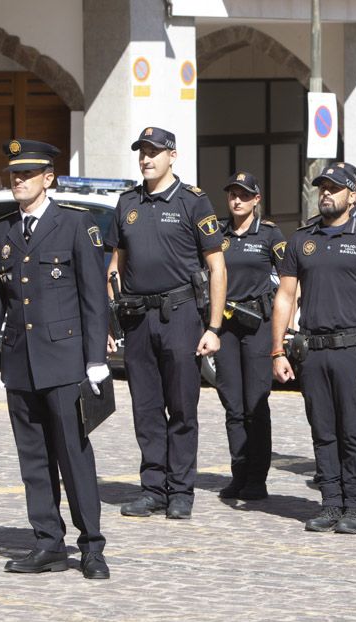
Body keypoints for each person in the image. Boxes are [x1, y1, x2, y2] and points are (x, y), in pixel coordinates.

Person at [0, 139, 110, 579]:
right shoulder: (3, 231)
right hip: (20, 363)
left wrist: (95, 358)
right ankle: (48, 543)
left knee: (73, 457)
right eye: (14, 174)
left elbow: (93, 298)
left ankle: (91, 546)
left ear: (48, 178)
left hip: (66, 361)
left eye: (27, 174)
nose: (18, 180)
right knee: (33, 461)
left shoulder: (75, 225)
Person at [106, 126, 227, 520]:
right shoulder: (126, 203)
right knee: (146, 408)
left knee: (182, 407)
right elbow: (115, 267)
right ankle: (152, 488)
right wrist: (112, 318)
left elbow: (217, 267)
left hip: (181, 317)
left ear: (172, 156)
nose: (146, 158)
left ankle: (181, 491)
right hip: (139, 318)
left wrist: (213, 328)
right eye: (142, 151)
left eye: (154, 151)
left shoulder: (193, 202)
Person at [271, 162, 356, 534]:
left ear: (353, 193)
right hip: (313, 350)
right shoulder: (302, 238)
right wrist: (277, 350)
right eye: (322, 187)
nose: (326, 193)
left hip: (354, 349)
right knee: (322, 430)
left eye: (334, 188)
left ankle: (355, 506)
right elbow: (285, 296)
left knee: (353, 432)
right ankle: (330, 503)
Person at [214, 172, 286, 500]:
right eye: (232, 194)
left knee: (255, 403)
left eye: (244, 195)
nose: (237, 200)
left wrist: (284, 326)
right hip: (227, 325)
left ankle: (257, 478)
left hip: (258, 325)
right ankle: (239, 472)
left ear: (256, 199)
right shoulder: (218, 233)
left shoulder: (269, 235)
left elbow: (289, 280)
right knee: (232, 403)